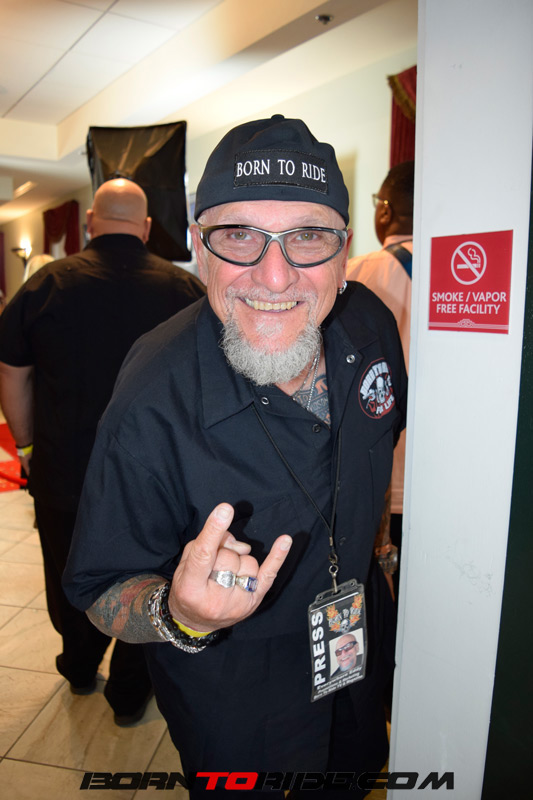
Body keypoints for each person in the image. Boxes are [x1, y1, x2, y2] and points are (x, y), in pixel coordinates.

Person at [63, 116, 407, 795]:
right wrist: (179, 615)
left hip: (356, 661)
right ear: (200, 246)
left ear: (343, 249)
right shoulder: (152, 397)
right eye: (239, 235)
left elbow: (376, 450)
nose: (275, 276)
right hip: (240, 705)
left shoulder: (369, 326)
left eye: (307, 236)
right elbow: (101, 588)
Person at [0, 178, 205, 724]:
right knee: (149, 578)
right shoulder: (186, 292)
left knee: (69, 571)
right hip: (158, 481)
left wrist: (26, 444)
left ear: (90, 222)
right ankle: (130, 690)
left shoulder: (44, 285)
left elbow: (12, 372)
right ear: (145, 227)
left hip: (65, 470)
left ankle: (79, 664)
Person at [347, 161, 414, 596]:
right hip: (443, 474)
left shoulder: (355, 273)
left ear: (385, 210)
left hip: (374, 475)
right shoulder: (464, 270)